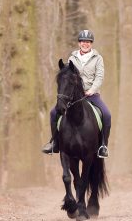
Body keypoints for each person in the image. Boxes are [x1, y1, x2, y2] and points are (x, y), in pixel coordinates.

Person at [42, 29, 111, 158]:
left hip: (92, 95)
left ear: (91, 44)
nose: (85, 44)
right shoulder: (72, 58)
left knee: (107, 115)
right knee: (53, 113)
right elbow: (68, 76)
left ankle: (103, 146)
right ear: (79, 43)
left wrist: (91, 90)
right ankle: (54, 143)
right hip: (74, 97)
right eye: (83, 42)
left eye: (88, 42)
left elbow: (99, 77)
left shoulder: (98, 58)